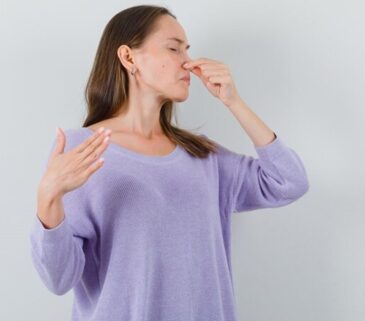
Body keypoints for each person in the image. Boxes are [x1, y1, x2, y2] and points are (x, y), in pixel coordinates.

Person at [29, 4, 310, 321]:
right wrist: (48, 199)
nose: (188, 63)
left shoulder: (202, 156)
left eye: (187, 50)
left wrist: (233, 101)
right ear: (129, 57)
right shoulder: (84, 149)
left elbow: (289, 182)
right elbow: (59, 279)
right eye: (174, 49)